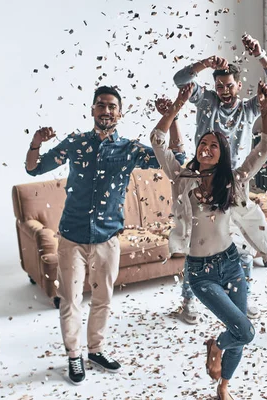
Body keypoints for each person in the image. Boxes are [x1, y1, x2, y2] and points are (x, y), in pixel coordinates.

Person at [25, 86, 185, 385]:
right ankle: (74, 355)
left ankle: (95, 349)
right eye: (101, 105)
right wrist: (36, 143)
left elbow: (177, 159)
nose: (106, 110)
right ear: (92, 111)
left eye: (112, 106)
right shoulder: (74, 143)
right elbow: (34, 169)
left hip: (108, 237)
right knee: (71, 300)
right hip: (72, 236)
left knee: (103, 299)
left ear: (119, 113)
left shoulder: (130, 149)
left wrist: (171, 117)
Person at [150, 81, 267, 400]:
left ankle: (224, 384)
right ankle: (217, 346)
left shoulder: (234, 180)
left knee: (240, 330)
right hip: (201, 272)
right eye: (202, 143)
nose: (205, 148)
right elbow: (158, 140)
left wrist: (264, 108)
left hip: (231, 265)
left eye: (213, 145)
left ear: (222, 153)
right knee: (244, 330)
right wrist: (177, 106)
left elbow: (265, 148)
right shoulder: (182, 178)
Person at [172, 34, 267, 323]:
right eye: (220, 85)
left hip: (235, 182)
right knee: (197, 244)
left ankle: (241, 298)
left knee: (243, 246)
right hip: (202, 179)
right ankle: (188, 301)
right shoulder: (205, 99)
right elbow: (179, 80)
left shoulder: (249, 109)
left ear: (239, 85)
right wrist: (204, 64)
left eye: (229, 86)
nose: (224, 90)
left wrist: (260, 55)